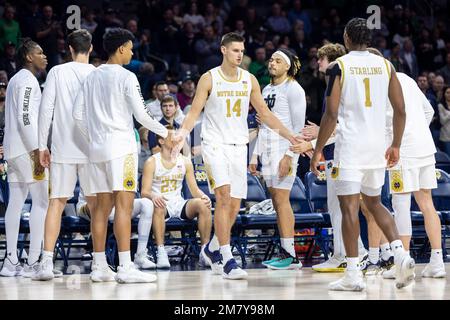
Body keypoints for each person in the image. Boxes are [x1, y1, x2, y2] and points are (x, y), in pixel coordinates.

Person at [173, 32, 301, 280]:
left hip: (239, 145)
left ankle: (211, 249)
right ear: (223, 50)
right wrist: (182, 134)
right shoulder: (209, 78)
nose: (240, 54)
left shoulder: (250, 79)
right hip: (214, 144)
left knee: (233, 205)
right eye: (235, 50)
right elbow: (194, 112)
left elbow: (264, 113)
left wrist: (289, 136)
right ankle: (226, 257)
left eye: (242, 51)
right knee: (222, 197)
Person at [307, 18, 414, 291]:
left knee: (349, 208)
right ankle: (401, 255)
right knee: (376, 203)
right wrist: (396, 145)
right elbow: (401, 110)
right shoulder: (386, 65)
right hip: (377, 146)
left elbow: (331, 114)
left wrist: (317, 150)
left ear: (346, 38)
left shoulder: (338, 66)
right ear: (369, 39)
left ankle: (353, 274)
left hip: (350, 147)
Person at [73, 28, 168, 283]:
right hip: (121, 149)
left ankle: (99, 266)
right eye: (131, 47)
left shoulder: (91, 77)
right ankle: (125, 267)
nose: (133, 52)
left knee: (100, 210)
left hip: (97, 151)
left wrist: (92, 138)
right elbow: (142, 115)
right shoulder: (127, 77)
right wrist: (167, 132)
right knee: (124, 207)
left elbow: (77, 115)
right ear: (122, 49)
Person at [292, 43, 369, 272]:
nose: (318, 63)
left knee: (344, 208)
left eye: (321, 59)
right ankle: (347, 254)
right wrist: (320, 132)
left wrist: (315, 142)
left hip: (345, 154)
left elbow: (341, 126)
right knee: (338, 208)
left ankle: (354, 254)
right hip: (340, 154)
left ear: (333, 61)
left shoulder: (340, 85)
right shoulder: (334, 84)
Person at [32, 30, 97, 281]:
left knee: (56, 203)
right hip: (92, 149)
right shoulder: (96, 73)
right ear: (90, 49)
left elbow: (45, 110)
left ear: (69, 49)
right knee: (95, 206)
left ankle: (46, 262)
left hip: (62, 147)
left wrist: (41, 146)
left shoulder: (57, 72)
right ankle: (99, 262)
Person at [248, 48, 306, 270]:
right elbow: (263, 125)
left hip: (285, 149)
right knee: (276, 201)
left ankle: (290, 255)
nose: (272, 63)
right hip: (269, 150)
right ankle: (287, 252)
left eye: (277, 60)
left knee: (281, 201)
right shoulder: (266, 89)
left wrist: (290, 156)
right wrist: (255, 155)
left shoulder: (294, 89)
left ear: (288, 66)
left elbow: (299, 127)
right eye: (271, 59)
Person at [0, 38, 49, 277]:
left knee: (16, 203)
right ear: (28, 57)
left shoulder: (14, 80)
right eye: (40, 52)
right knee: (42, 202)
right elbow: (25, 118)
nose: (44, 56)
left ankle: (10, 260)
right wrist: (38, 149)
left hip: (12, 150)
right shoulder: (28, 80)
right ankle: (32, 263)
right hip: (26, 150)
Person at [141, 126, 212, 269]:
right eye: (171, 136)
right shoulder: (152, 162)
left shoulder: (185, 161)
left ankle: (205, 251)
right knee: (159, 205)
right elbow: (144, 192)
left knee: (203, 204)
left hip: (178, 203)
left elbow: (194, 189)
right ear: (161, 141)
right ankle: (161, 251)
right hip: (161, 203)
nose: (176, 139)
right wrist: (154, 195)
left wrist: (203, 196)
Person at [75, 190, 156, 270]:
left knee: (147, 204)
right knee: (101, 204)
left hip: (116, 205)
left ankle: (140, 256)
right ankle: (99, 260)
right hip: (90, 204)